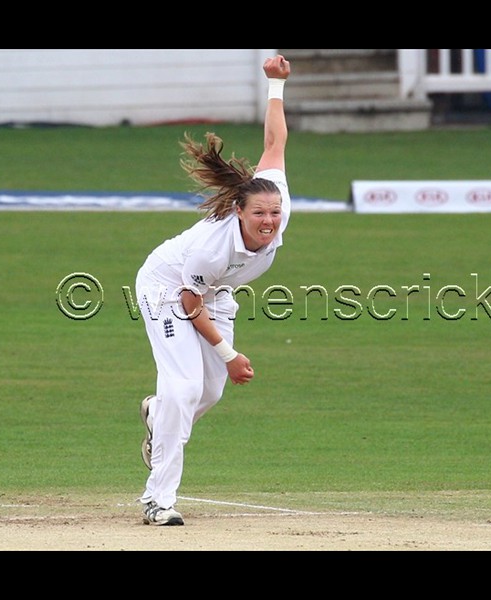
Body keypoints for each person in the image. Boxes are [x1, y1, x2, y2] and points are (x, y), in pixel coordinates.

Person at [134, 54, 291, 526]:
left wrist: (276, 85)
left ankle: (157, 415)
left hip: (216, 292)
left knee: (208, 395)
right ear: (239, 213)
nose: (269, 221)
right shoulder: (210, 246)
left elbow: (275, 142)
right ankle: (158, 501)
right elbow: (188, 302)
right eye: (259, 214)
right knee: (184, 388)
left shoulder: (276, 202)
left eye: (274, 212)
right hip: (170, 286)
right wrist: (230, 354)